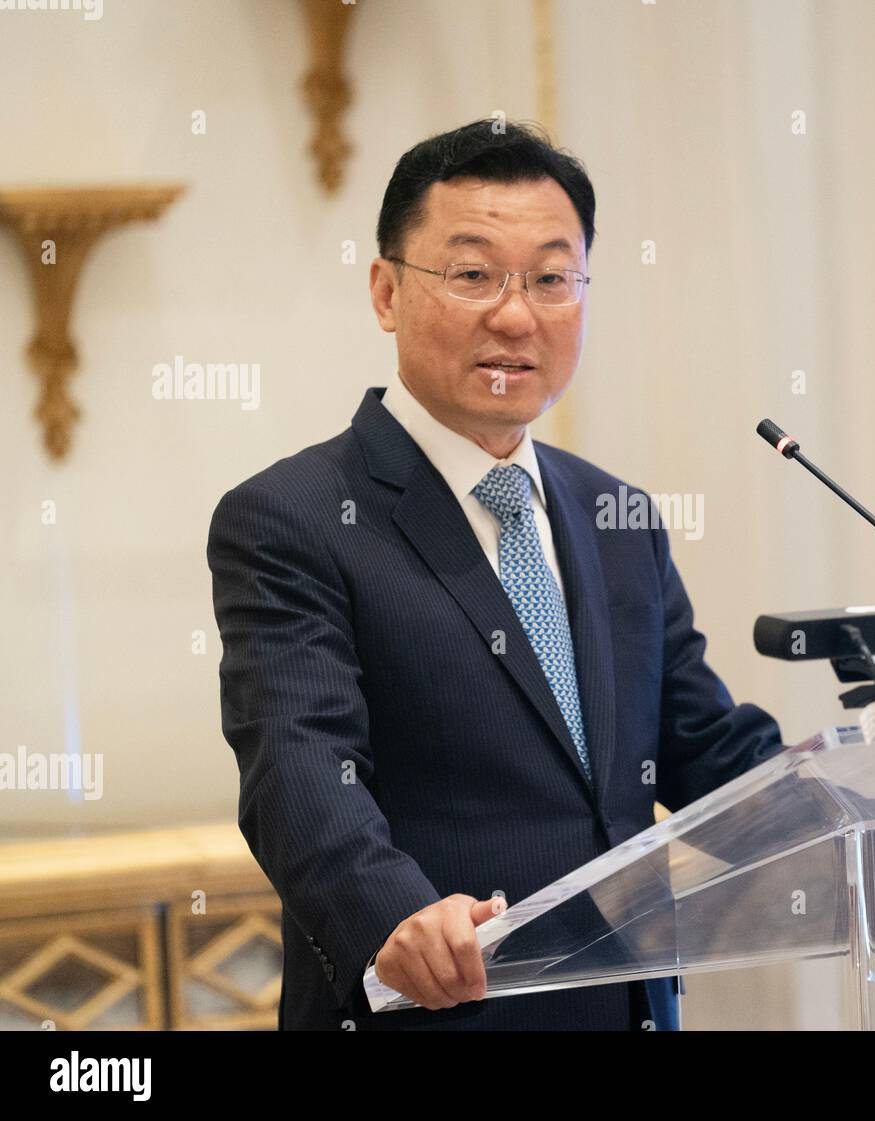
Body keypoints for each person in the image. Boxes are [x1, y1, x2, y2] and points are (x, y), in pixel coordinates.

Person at [207, 119, 785, 1031]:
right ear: (387, 291)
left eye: (553, 278)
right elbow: (299, 767)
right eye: (473, 274)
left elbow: (707, 751)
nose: (516, 315)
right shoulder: (296, 517)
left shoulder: (615, 515)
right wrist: (392, 913)